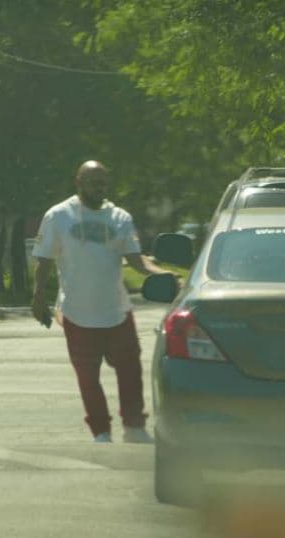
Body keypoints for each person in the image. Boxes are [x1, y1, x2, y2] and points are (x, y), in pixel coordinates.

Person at [30, 160, 170, 444]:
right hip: (76, 312)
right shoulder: (58, 216)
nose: (99, 186)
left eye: (103, 181)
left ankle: (133, 427)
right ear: (78, 182)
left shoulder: (120, 218)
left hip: (116, 310)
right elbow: (43, 261)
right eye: (93, 181)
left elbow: (136, 259)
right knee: (87, 375)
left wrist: (164, 274)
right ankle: (101, 432)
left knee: (131, 370)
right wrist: (38, 298)